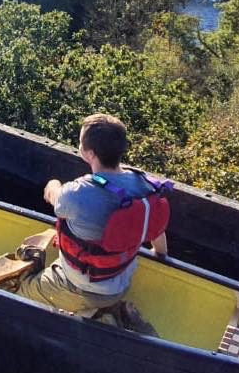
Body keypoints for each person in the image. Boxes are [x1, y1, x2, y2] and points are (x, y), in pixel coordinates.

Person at [17, 113, 169, 316]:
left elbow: (56, 199)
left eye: (81, 143)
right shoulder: (144, 185)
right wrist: (160, 255)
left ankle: (92, 313)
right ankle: (101, 309)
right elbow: (156, 228)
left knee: (23, 290)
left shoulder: (76, 193)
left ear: (89, 154)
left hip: (83, 289)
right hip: (120, 283)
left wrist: (53, 183)